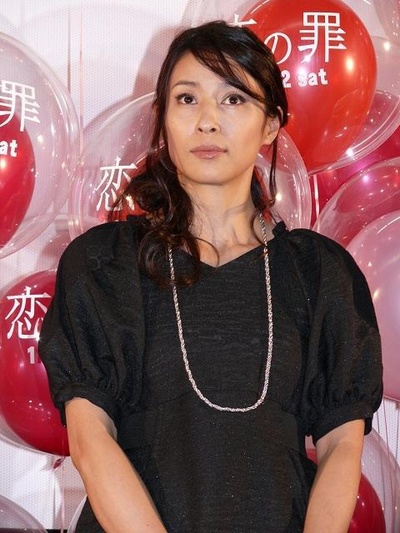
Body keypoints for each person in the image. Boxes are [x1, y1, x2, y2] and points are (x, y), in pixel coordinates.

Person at [39, 20, 383, 533]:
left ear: (271, 124)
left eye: (233, 99)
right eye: (186, 99)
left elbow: (341, 446)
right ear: (163, 118)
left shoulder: (319, 273)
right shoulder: (105, 264)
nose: (207, 121)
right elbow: (91, 441)